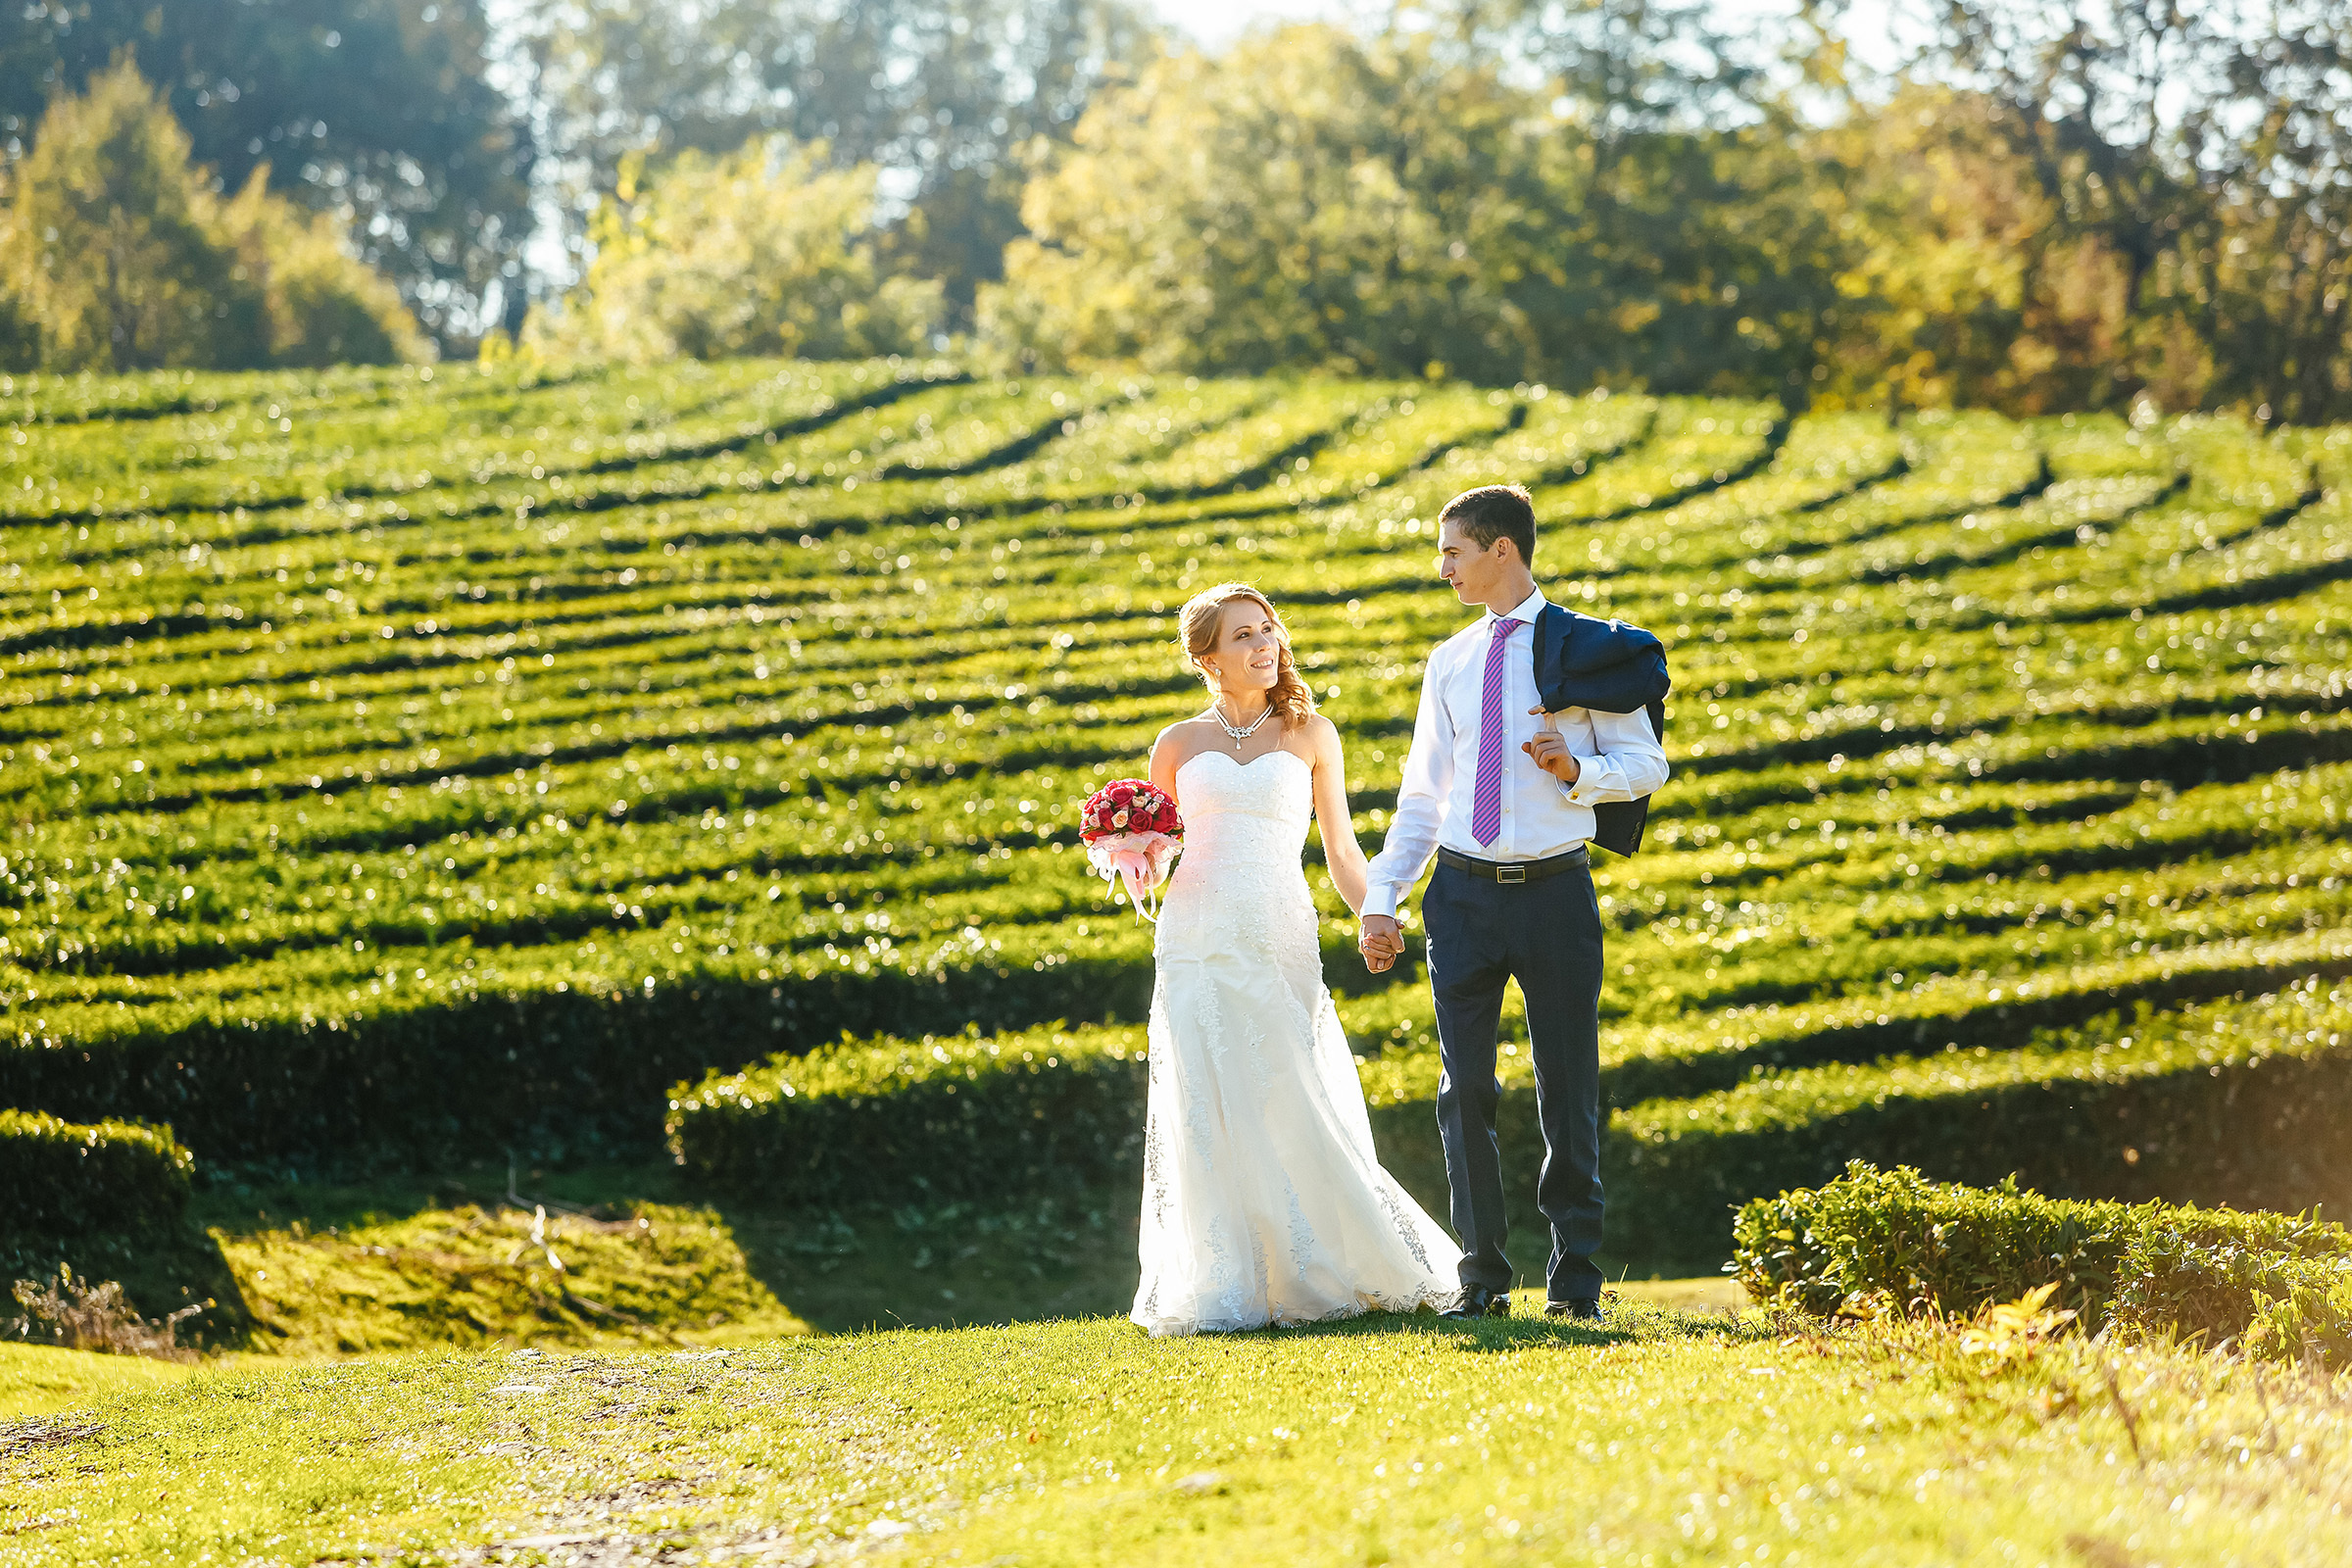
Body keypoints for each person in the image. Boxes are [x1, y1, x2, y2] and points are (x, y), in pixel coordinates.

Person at [1357, 484, 1670, 1321]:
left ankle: (1575, 1285)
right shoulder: (1449, 661)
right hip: (1459, 894)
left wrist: (1578, 772)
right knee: (1465, 1092)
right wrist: (1383, 897)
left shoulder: (1586, 649)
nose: (1443, 567)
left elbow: (1647, 763)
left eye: (1454, 551)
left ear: (1503, 550)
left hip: (1554, 893)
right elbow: (1421, 797)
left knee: (1566, 1086)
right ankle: (1482, 1279)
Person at [1130, 582, 1461, 1336]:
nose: (1264, 644)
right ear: (1207, 657)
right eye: (1244, 635)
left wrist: (1373, 912)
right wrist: (1131, 855)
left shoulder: (1313, 735)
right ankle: (1232, 1278)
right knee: (1208, 1099)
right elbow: (1160, 847)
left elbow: (1342, 848)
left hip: (1279, 931)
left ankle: (1327, 1264)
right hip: (1196, 935)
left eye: (1269, 629)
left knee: (1290, 1091)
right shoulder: (1178, 743)